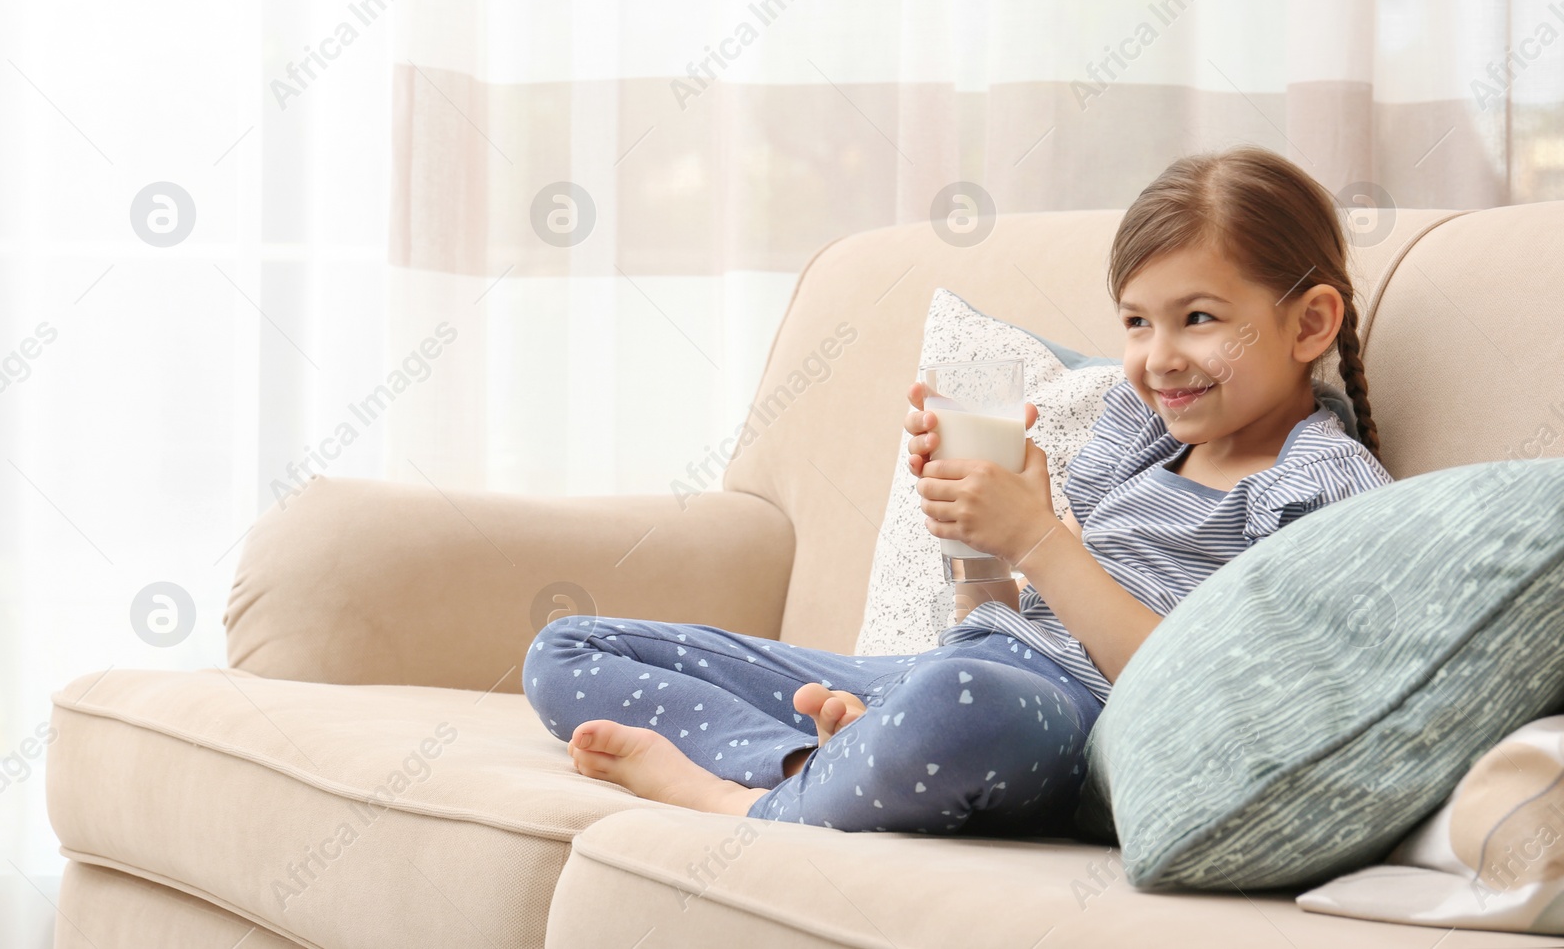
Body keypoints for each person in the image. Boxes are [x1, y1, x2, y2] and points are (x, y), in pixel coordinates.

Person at [521, 144, 1394, 837]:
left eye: (1198, 317)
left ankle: (736, 803)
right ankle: (821, 764)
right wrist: (974, 533)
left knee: (959, 705)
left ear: (1308, 321)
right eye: (1136, 320)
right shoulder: (1145, 427)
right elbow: (1002, 612)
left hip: (1066, 719)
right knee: (565, 649)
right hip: (972, 666)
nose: (1158, 355)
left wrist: (1041, 539)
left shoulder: (1318, 483)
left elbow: (1204, 692)